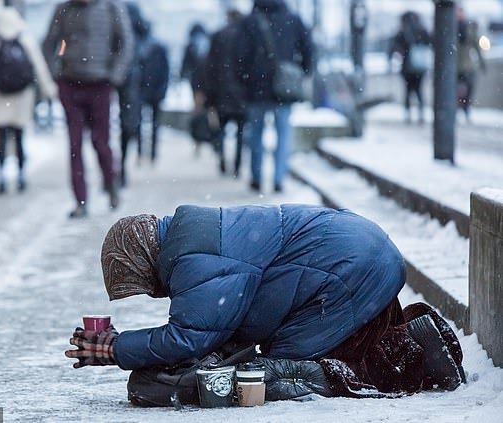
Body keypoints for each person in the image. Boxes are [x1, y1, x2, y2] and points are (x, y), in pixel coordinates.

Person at [65, 204, 464, 403]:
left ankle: (414, 359)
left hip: (349, 272)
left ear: (143, 261)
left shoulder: (193, 259)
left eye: (143, 286)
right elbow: (218, 326)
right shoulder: (196, 237)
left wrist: (116, 348)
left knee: (279, 370)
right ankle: (411, 343)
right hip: (360, 257)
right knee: (288, 353)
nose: (153, 293)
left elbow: (191, 338)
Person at [42, 0, 134, 218]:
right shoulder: (64, 10)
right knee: (75, 145)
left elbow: (125, 43)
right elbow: (49, 44)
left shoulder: (112, 8)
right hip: (70, 84)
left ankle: (111, 183)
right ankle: (80, 200)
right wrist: (56, 71)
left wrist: (115, 75)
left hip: (100, 84)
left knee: (101, 142)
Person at [0, 7, 57, 195]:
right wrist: (49, 89)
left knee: (2, 138)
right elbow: (39, 66)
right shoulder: (25, 38)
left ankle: (1, 176)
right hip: (22, 96)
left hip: (0, 96)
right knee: (19, 137)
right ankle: (21, 175)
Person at [235, 0, 312, 194]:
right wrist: (299, 72)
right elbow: (308, 50)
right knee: (283, 134)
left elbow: (239, 56)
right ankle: (278, 179)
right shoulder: (293, 19)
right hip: (284, 88)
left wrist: (245, 79)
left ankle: (256, 178)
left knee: (256, 134)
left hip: (255, 88)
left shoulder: (250, 21)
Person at [204, 8, 247, 177]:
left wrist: (210, 93)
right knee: (240, 133)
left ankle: (222, 159)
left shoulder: (218, 36)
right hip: (242, 94)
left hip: (220, 91)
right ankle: (236, 166)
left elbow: (209, 66)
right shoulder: (246, 37)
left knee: (221, 129)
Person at [117, 2, 145, 187]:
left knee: (121, 125)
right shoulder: (133, 13)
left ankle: (118, 168)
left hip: (113, 76)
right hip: (130, 79)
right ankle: (123, 165)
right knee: (129, 122)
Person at [388, 11, 432, 124]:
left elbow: (393, 48)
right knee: (419, 90)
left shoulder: (402, 32)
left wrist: (393, 59)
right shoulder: (422, 30)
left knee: (408, 91)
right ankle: (421, 114)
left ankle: (408, 115)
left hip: (407, 67)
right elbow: (430, 43)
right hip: (420, 67)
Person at [138, 19, 170, 164]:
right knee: (153, 124)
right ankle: (151, 154)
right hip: (153, 91)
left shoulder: (140, 47)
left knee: (142, 123)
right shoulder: (159, 47)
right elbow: (165, 72)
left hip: (145, 90)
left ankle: (144, 153)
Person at [457, 7, 487, 122]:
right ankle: (456, 110)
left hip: (467, 65)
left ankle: (466, 109)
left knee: (469, 88)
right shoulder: (450, 26)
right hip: (454, 66)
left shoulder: (469, 28)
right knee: (454, 89)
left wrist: (482, 63)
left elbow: (477, 47)